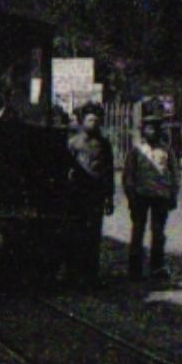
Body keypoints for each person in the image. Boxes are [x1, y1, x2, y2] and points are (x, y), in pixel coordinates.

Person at [123, 105, 180, 280]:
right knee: (138, 232)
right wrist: (131, 195)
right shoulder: (136, 151)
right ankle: (135, 269)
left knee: (158, 233)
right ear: (143, 131)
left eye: (154, 128)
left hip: (160, 197)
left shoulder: (166, 150)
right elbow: (128, 175)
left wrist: (173, 195)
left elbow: (175, 174)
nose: (151, 131)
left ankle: (157, 267)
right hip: (141, 196)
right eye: (148, 128)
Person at [66, 102, 114, 283]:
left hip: (96, 194)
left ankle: (91, 274)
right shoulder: (74, 143)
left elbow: (108, 171)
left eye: (96, 120)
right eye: (90, 119)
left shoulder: (104, 144)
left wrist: (109, 197)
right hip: (78, 193)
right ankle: (73, 273)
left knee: (93, 235)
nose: (93, 123)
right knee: (76, 233)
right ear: (82, 121)